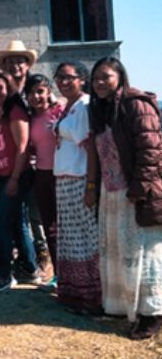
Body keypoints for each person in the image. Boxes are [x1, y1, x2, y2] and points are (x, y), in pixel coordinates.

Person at [89, 57, 162, 340]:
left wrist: (139, 189)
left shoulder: (136, 103)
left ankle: (152, 313)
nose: (99, 83)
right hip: (112, 191)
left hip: (136, 192)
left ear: (120, 77)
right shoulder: (103, 109)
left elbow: (151, 150)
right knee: (120, 252)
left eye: (105, 77)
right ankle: (121, 306)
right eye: (95, 79)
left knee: (146, 255)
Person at [0, 39, 50, 271]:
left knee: (35, 213)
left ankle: (40, 253)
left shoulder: (35, 88)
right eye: (11, 61)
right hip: (18, 161)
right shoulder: (4, 93)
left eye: (20, 60)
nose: (16, 65)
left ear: (27, 64)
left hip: (38, 160)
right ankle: (26, 257)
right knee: (18, 213)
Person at [0, 73, 41, 294]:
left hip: (15, 176)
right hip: (1, 175)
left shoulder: (15, 112)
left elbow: (22, 148)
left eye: (0, 88)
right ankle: (29, 267)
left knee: (0, 223)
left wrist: (14, 179)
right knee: (17, 222)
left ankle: (4, 274)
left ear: (9, 89)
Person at [52, 61, 101, 314]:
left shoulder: (84, 106)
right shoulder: (67, 108)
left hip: (80, 180)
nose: (62, 81)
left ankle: (93, 297)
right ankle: (73, 292)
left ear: (82, 78)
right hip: (64, 181)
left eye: (68, 77)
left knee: (86, 239)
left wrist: (91, 186)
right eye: (59, 77)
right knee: (71, 240)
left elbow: (90, 148)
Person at [26, 73, 65, 286]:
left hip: (63, 174)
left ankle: (74, 274)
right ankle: (59, 274)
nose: (36, 96)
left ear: (49, 91)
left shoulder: (60, 111)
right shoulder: (31, 118)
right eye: (31, 93)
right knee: (49, 227)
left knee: (67, 225)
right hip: (41, 175)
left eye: (40, 91)